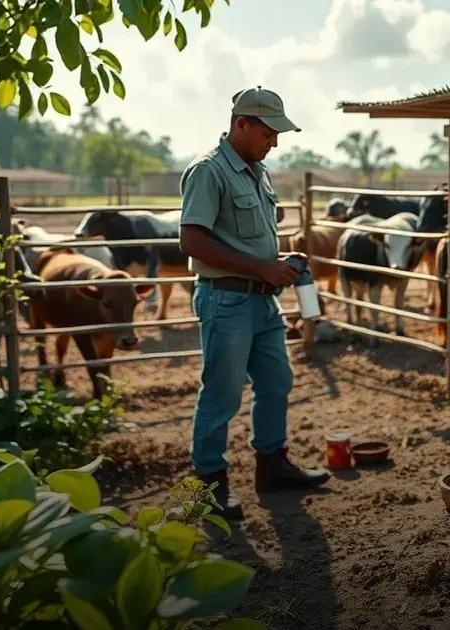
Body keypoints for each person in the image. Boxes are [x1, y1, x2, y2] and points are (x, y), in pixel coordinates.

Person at [179, 86, 329, 518]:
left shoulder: (255, 170)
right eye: (268, 133)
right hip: (225, 299)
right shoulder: (209, 171)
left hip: (261, 301)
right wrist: (260, 268)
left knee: (276, 382)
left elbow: (242, 239)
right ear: (240, 124)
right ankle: (209, 487)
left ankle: (272, 466)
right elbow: (192, 240)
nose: (275, 142)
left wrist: (277, 262)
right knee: (223, 393)